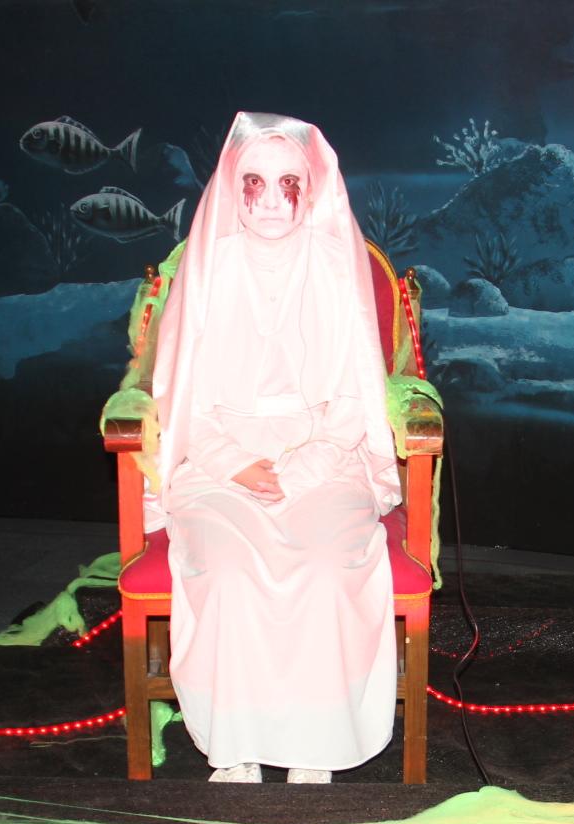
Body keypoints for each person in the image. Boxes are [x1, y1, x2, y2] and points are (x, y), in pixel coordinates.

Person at [145, 112, 401, 784]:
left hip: (326, 460)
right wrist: (235, 464)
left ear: (311, 189)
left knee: (323, 568)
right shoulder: (207, 269)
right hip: (218, 465)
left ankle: (315, 744)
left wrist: (303, 466)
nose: (270, 200)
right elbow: (183, 395)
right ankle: (239, 744)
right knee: (229, 573)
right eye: (254, 182)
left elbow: (357, 395)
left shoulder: (336, 268)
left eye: (289, 183)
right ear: (232, 186)